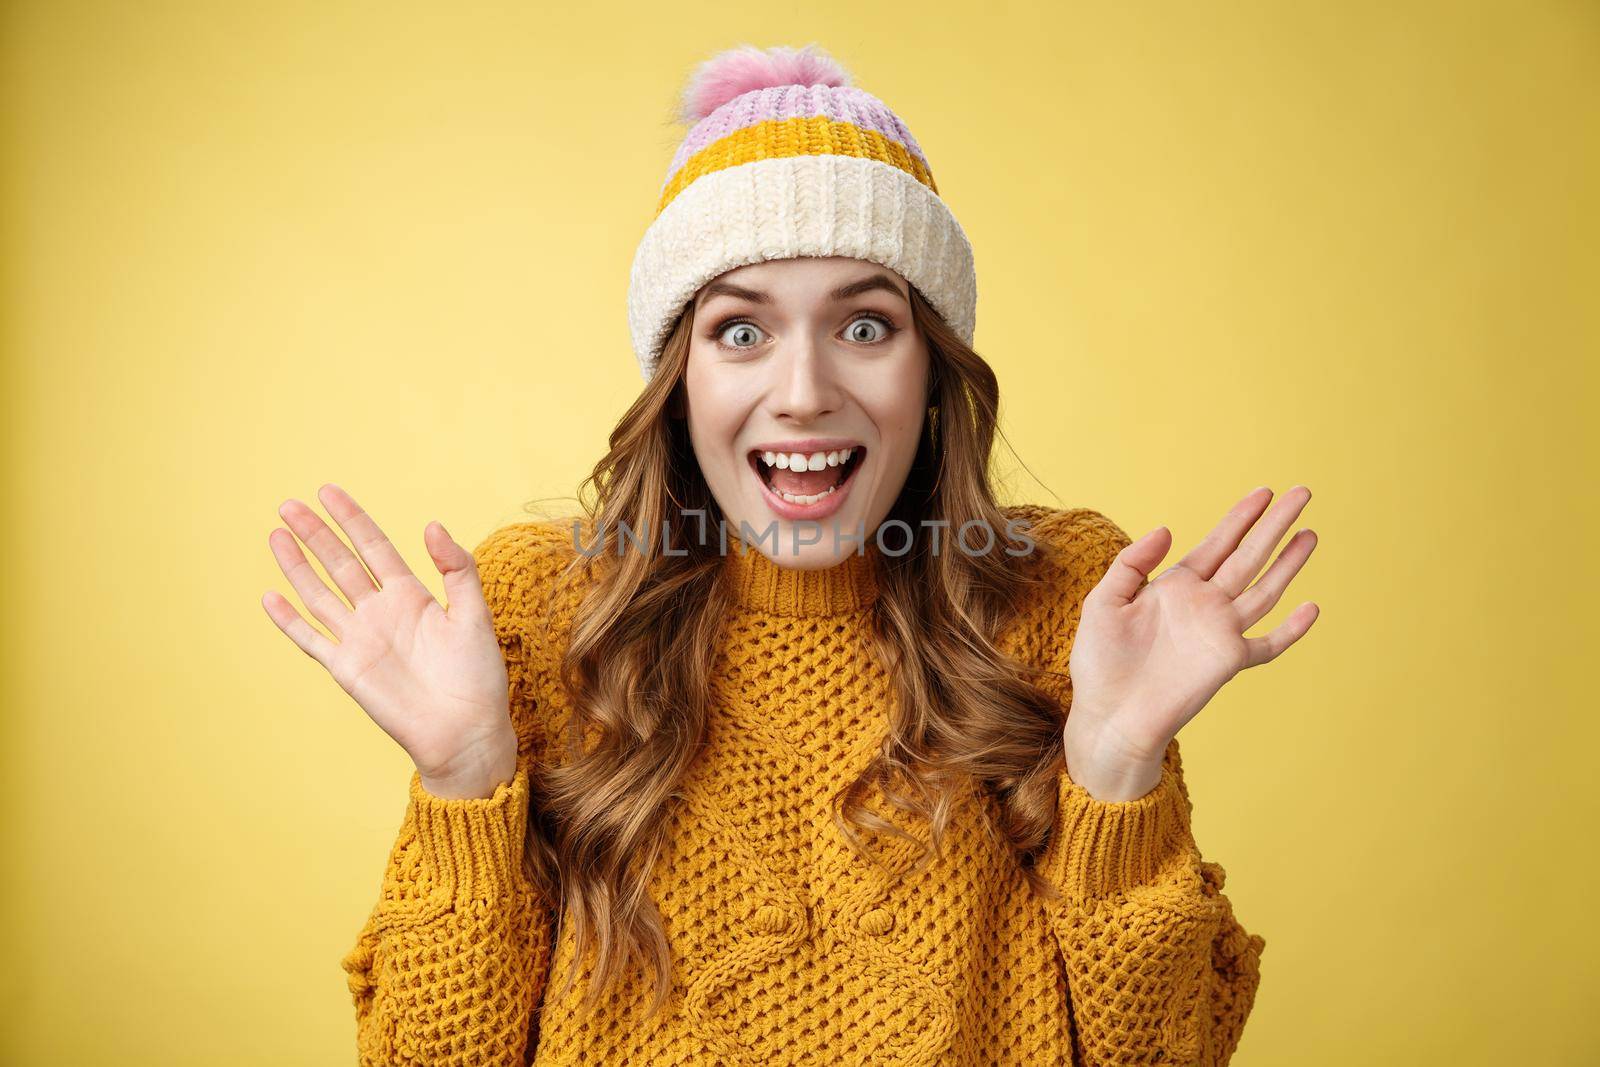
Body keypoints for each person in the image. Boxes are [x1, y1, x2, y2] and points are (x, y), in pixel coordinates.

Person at [263, 42, 1316, 1066]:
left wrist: (1116, 770)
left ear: (932, 370)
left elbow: (1169, 1053)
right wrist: (462, 778)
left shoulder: (1058, 604)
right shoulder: (539, 613)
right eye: (739, 331)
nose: (805, 389)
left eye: (864, 326)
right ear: (677, 379)